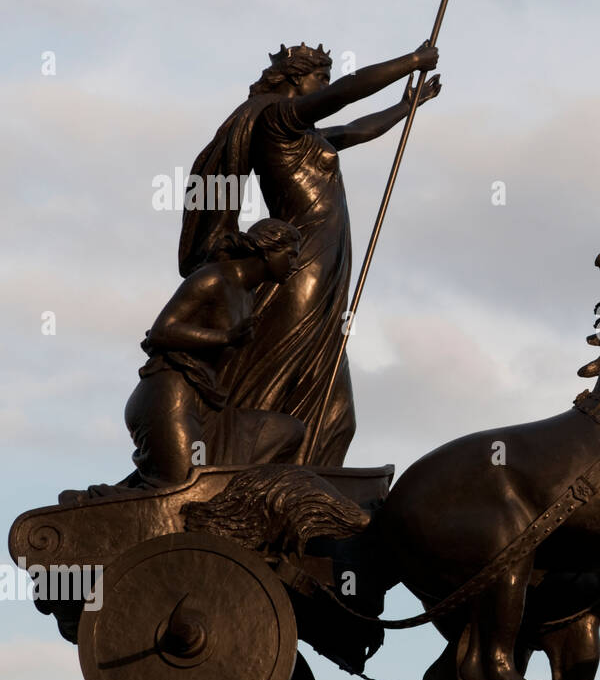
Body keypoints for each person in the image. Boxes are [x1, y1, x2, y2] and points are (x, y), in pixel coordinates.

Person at [179, 40, 441, 466]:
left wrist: (405, 106)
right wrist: (412, 62)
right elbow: (345, 94)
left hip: (327, 264)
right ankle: (242, 463)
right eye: (319, 77)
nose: (325, 85)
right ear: (296, 79)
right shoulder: (275, 119)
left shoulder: (303, 134)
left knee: (336, 411)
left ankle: (306, 473)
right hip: (300, 266)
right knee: (278, 371)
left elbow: (354, 130)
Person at [126, 219, 302, 487]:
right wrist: (226, 337)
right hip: (169, 397)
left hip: (208, 406)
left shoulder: (248, 295)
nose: (295, 264)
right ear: (267, 250)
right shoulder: (214, 278)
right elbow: (162, 331)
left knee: (288, 431)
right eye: (290, 255)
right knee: (183, 490)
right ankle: (84, 505)